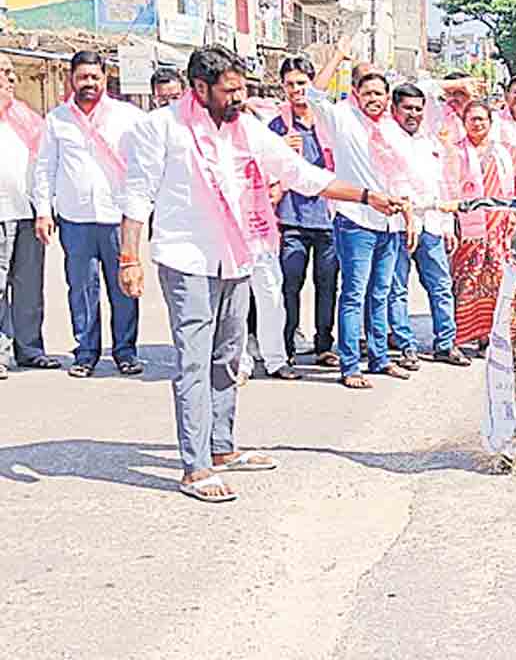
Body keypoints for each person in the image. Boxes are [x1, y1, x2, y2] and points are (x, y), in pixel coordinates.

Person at [118, 44, 401, 501]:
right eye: (229, 90)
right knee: (193, 359)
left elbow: (299, 173)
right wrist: (129, 259)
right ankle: (194, 467)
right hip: (185, 258)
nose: (238, 97)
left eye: (242, 89)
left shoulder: (244, 127)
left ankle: (223, 447)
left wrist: (366, 196)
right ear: (200, 88)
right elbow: (136, 197)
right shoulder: (160, 128)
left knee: (228, 358)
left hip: (236, 255)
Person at [308, 37, 416, 389]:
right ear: (355, 92)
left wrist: (409, 218)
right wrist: (338, 55)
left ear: (388, 97)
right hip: (355, 222)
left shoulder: (392, 130)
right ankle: (350, 365)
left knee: (380, 292)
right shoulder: (342, 119)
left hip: (389, 224)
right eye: (367, 92)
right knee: (353, 293)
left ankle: (381, 359)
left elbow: (402, 178)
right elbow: (313, 95)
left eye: (379, 94)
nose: (374, 99)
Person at [31, 50, 146, 378]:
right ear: (72, 79)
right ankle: (85, 353)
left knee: (122, 285)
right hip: (74, 217)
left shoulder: (128, 116)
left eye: (94, 77)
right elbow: (45, 168)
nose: (89, 83)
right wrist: (43, 211)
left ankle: (126, 351)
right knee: (81, 288)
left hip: (117, 217)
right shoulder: (57, 119)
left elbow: (143, 163)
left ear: (105, 78)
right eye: (82, 77)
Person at [386, 83, 470, 367]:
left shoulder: (430, 142)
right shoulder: (386, 137)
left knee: (441, 285)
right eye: (407, 108)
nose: (413, 114)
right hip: (397, 223)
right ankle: (405, 346)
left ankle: (445, 344)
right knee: (397, 287)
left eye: (418, 109)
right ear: (394, 109)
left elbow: (442, 184)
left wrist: (447, 223)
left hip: (432, 222)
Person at [269, 56, 340, 368]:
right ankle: (286, 346)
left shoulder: (329, 121)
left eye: (301, 83)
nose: (296, 90)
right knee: (290, 284)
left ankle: (324, 344)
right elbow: (262, 165)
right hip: (291, 219)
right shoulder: (277, 125)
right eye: (290, 84)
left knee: (327, 284)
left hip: (328, 218)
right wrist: (281, 147)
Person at [450, 99, 516, 351]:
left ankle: (490, 337)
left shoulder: (507, 152)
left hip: (499, 228)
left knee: (497, 281)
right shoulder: (455, 152)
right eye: (471, 119)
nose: (477, 123)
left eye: (481, 118)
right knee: (467, 281)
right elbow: (447, 186)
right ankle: (463, 335)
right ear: (464, 123)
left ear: (490, 122)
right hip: (467, 230)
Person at [0, 54, 58, 379]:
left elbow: (43, 166)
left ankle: (30, 350)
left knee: (28, 287)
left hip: (27, 214)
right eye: (4, 72)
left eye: (11, 73)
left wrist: (44, 210)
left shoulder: (26, 118)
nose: (11, 79)